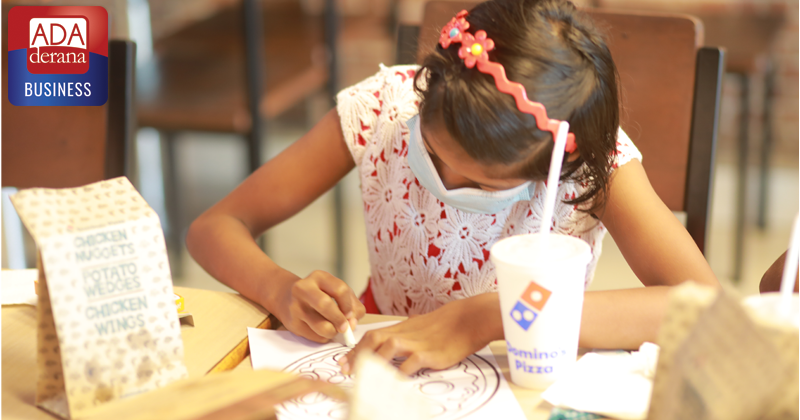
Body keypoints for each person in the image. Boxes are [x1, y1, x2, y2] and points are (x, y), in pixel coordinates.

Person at [186, 0, 719, 375]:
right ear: (426, 87)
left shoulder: (591, 163)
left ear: (555, 166)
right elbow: (214, 227)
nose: (447, 182)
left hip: (529, 368)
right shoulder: (385, 110)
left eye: (483, 183)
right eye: (433, 151)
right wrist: (279, 289)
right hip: (385, 352)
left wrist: (487, 316)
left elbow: (704, 308)